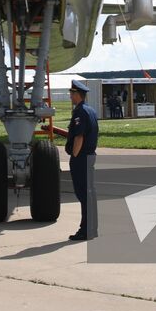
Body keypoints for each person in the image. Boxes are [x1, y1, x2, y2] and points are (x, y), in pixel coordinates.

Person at [65, 80, 100, 241]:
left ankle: (85, 230)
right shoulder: (90, 110)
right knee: (90, 194)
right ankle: (92, 228)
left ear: (77, 94)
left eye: (71, 94)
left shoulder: (79, 112)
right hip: (91, 156)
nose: (70, 97)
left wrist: (74, 156)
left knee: (84, 194)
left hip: (82, 158)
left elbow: (79, 136)